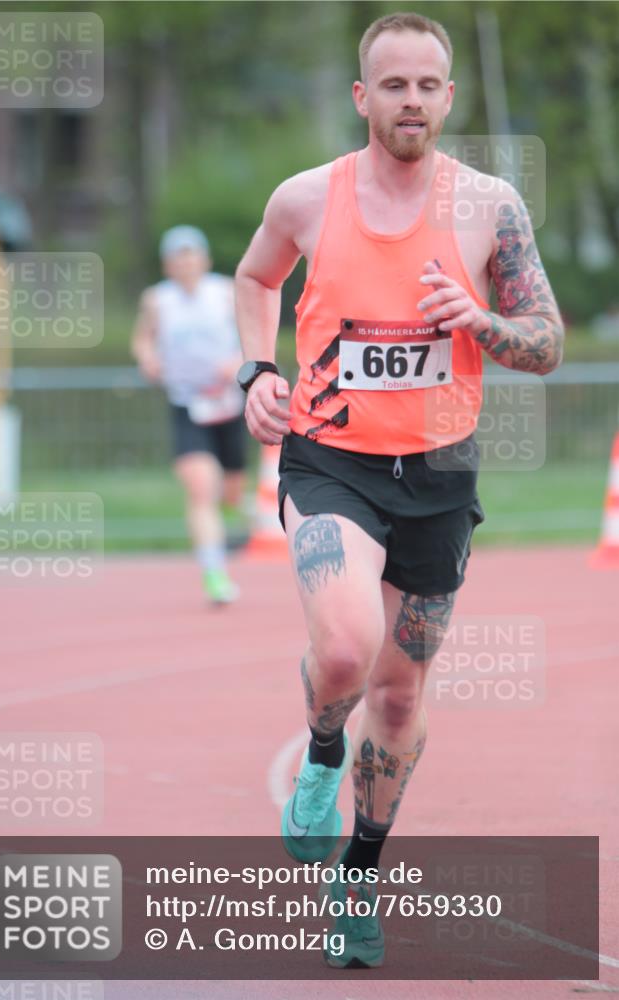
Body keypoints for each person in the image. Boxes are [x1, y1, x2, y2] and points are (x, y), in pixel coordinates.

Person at [235, 11, 563, 968]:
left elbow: (544, 340)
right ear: (362, 97)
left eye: (426, 85)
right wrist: (256, 371)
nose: (410, 100)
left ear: (447, 97)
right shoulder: (305, 197)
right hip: (329, 458)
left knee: (398, 687)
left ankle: (360, 874)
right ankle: (318, 754)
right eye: (392, 85)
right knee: (344, 649)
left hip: (438, 471)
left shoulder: (489, 206)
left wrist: (479, 319)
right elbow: (257, 279)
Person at [132, 225, 246, 605]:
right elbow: (143, 337)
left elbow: (253, 333)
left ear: (205, 259)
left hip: (228, 403)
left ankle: (233, 518)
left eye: (191, 254)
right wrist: (147, 357)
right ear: (167, 265)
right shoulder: (156, 300)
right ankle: (214, 572)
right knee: (201, 488)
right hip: (187, 403)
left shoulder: (226, 292)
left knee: (230, 492)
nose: (185, 262)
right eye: (178, 256)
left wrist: (241, 362)